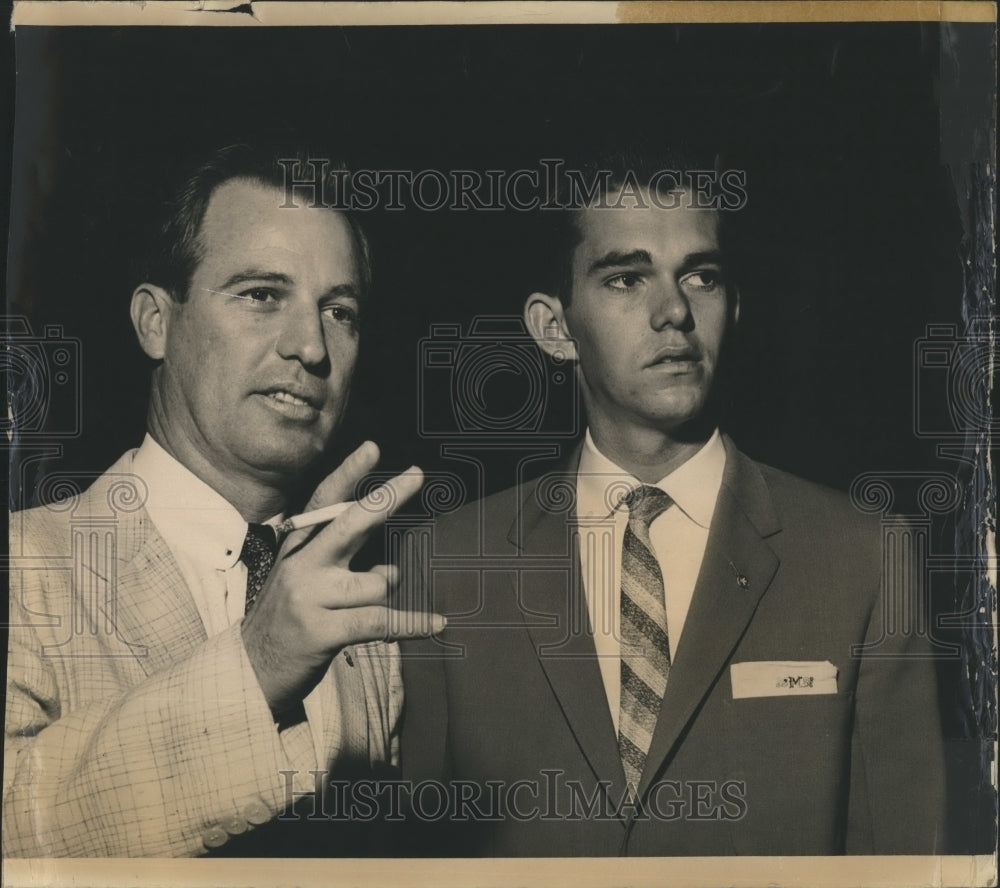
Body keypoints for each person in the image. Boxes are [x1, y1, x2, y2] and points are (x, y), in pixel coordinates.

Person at [397, 148, 946, 856]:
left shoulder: (864, 556)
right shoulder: (445, 563)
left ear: (733, 305)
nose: (675, 312)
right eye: (626, 278)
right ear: (555, 328)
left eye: (700, 276)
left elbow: (903, 859)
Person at [4, 144, 444, 858]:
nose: (311, 347)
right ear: (155, 321)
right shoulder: (24, 568)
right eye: (262, 295)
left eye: (339, 311)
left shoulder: (364, 623)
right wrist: (257, 665)